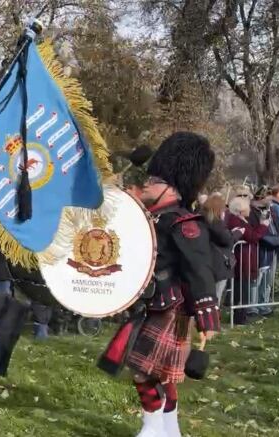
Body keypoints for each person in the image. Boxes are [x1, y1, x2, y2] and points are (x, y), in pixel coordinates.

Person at [97, 132, 220, 437]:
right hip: (153, 304)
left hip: (171, 307)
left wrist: (207, 314)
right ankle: (170, 428)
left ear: (171, 187)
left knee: (142, 371)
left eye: (153, 181)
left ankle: (152, 427)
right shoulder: (152, 217)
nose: (148, 184)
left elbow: (199, 270)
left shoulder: (183, 223)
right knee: (165, 376)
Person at [225, 196, 269, 324]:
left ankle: (241, 315)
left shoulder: (241, 219)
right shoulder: (235, 221)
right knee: (241, 288)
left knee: (244, 288)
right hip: (242, 258)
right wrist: (263, 226)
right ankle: (239, 317)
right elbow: (252, 237)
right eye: (247, 208)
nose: (249, 210)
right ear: (240, 210)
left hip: (247, 257)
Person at [201, 194, 237, 306]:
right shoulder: (215, 222)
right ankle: (213, 320)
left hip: (206, 263)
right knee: (215, 296)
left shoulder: (200, 220)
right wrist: (236, 233)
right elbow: (226, 239)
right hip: (217, 264)